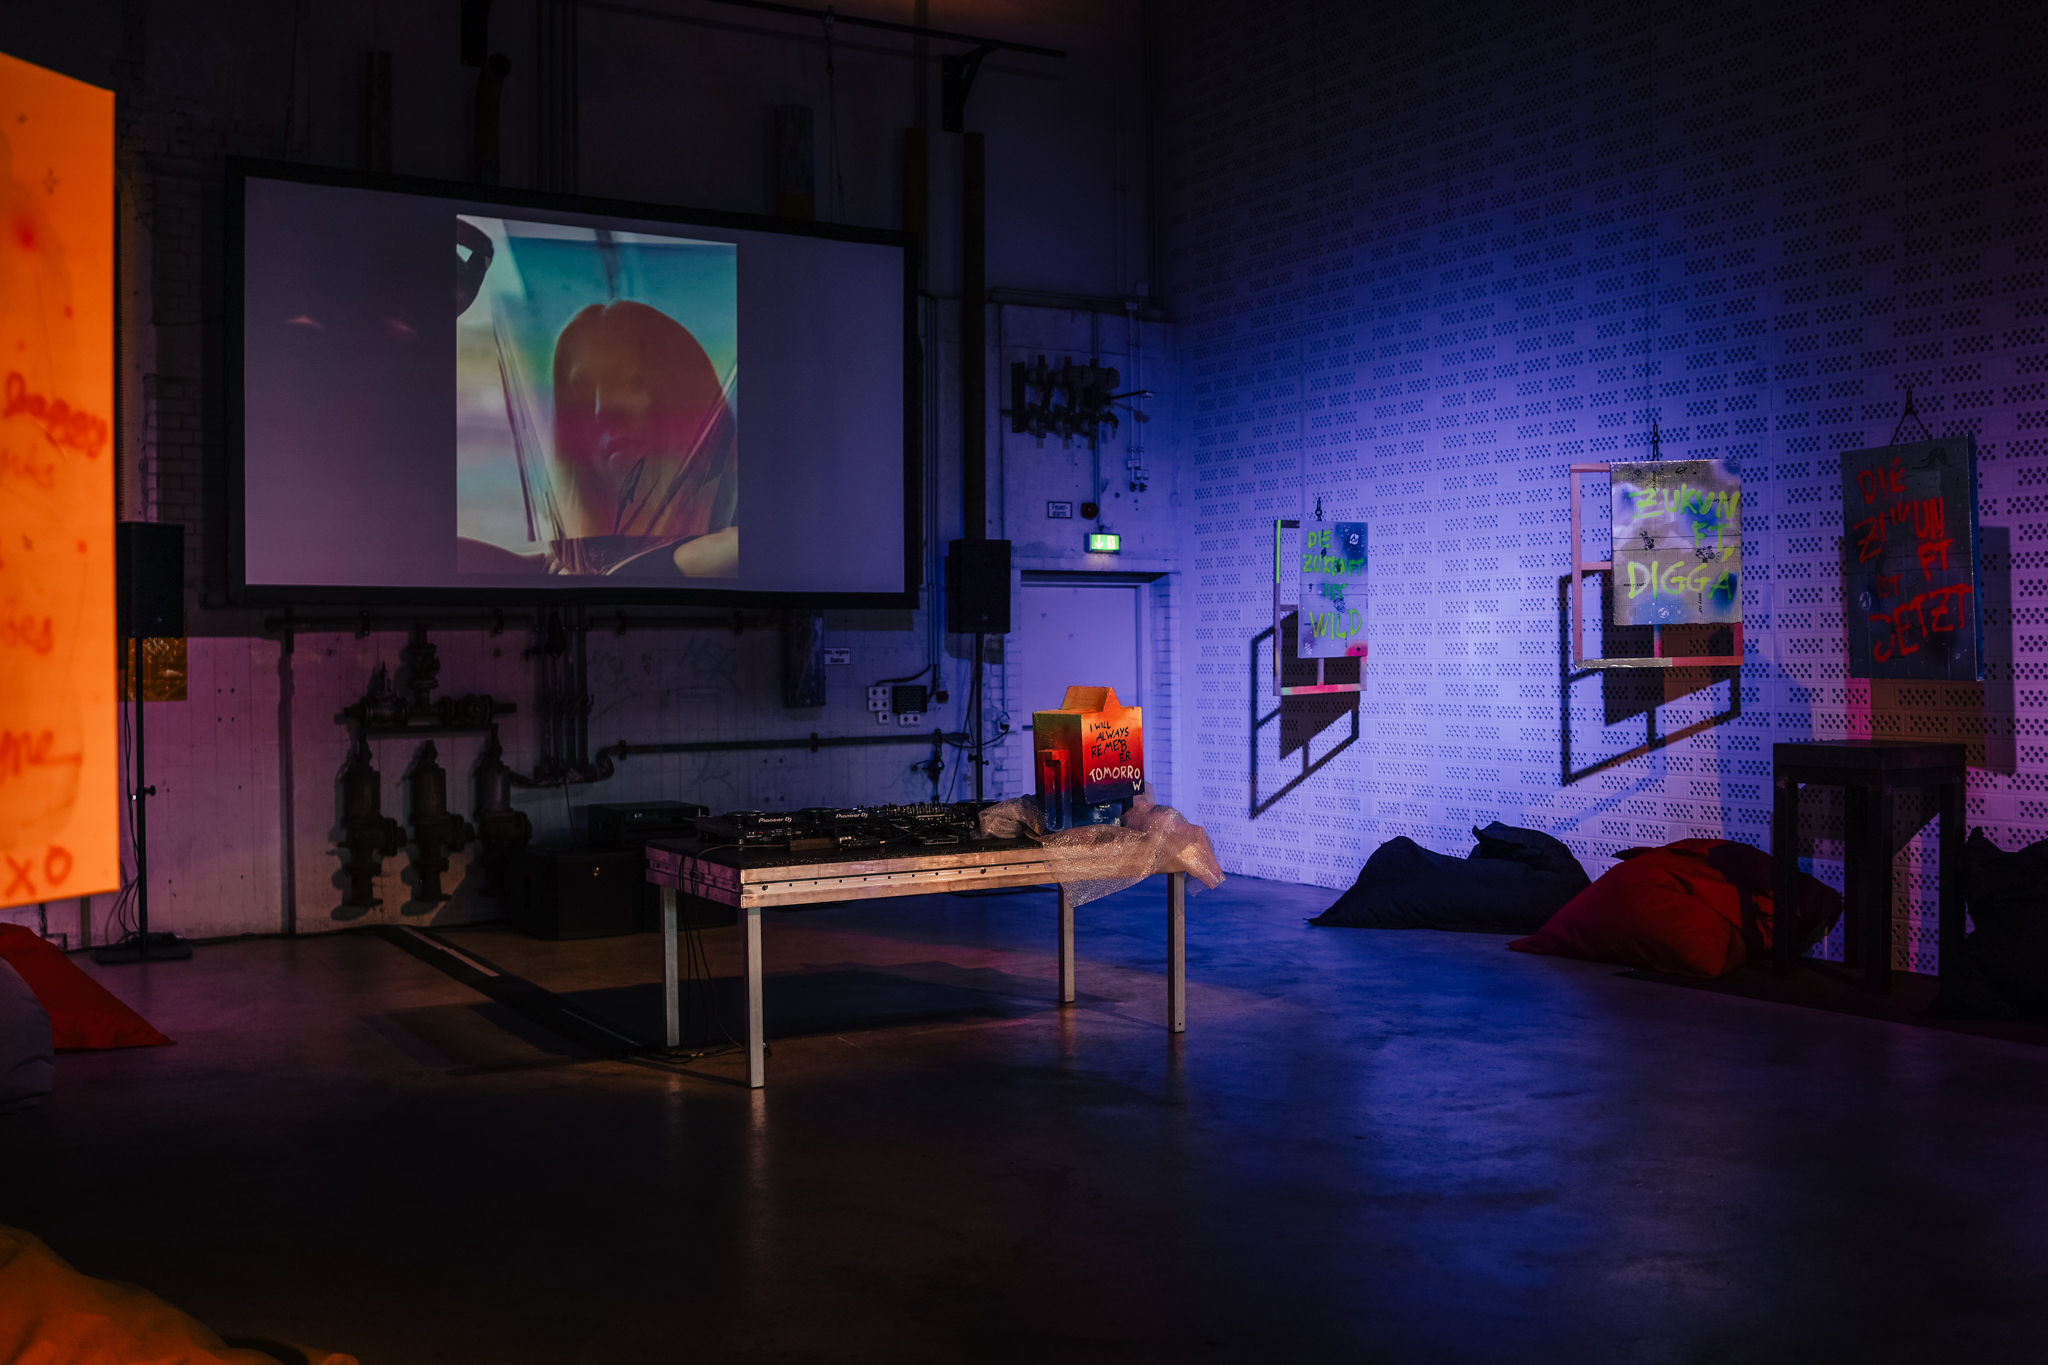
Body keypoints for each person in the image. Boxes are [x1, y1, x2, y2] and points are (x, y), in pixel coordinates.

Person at [458, 297, 737, 577]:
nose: (602, 411)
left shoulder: (729, 539)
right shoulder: (570, 565)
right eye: (582, 393)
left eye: (633, 383)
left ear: (681, 395)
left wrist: (678, 562)